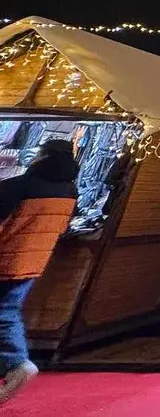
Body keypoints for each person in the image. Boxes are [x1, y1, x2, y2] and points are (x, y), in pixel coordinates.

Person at [0, 140, 78, 403]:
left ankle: (15, 361)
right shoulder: (70, 191)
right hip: (32, 262)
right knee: (7, 311)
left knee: (5, 313)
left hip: (5, 259)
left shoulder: (18, 187)